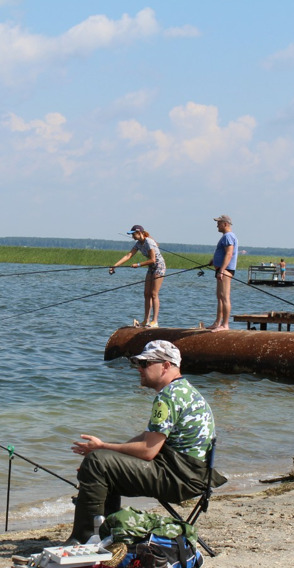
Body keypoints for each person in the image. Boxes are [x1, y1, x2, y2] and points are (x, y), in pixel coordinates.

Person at [70, 340, 227, 545]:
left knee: (98, 462)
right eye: (138, 364)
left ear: (166, 366)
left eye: (145, 364)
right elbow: (148, 438)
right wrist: (108, 453)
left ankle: (82, 540)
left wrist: (101, 450)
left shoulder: (168, 397)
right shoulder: (184, 390)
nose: (139, 369)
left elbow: (147, 451)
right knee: (102, 461)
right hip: (192, 474)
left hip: (180, 478)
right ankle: (105, 534)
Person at [110, 225, 166, 328]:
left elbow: (153, 260)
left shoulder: (149, 242)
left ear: (139, 233)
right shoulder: (138, 244)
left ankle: (155, 321)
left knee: (154, 294)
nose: (132, 237)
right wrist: (115, 265)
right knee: (146, 293)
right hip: (151, 267)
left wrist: (138, 264)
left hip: (159, 266)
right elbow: (129, 255)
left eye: (133, 234)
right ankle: (146, 320)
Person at [210, 215, 237, 331]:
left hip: (224, 271)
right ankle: (217, 322)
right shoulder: (226, 237)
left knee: (225, 297)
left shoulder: (228, 236)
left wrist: (222, 270)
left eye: (219, 223)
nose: (217, 225)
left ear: (225, 224)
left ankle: (225, 325)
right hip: (221, 269)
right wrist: (214, 261)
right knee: (219, 296)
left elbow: (229, 253)